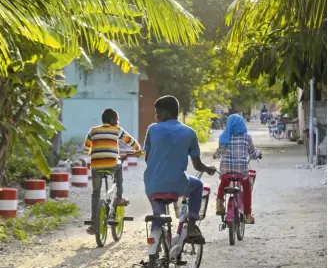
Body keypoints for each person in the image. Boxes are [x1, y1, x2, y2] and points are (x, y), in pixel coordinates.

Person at [144, 96, 216, 244]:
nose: (156, 116)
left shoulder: (152, 129)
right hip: (177, 184)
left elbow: (147, 159)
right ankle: (191, 227)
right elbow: (197, 166)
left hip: (152, 185)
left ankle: (153, 258)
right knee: (198, 186)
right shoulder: (189, 133)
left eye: (157, 113)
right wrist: (208, 168)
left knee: (158, 215)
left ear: (166, 112)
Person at [84, 108, 141, 235]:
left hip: (95, 165)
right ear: (112, 120)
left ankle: (94, 222)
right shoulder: (116, 130)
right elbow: (130, 141)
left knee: (96, 192)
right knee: (119, 165)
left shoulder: (93, 131)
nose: (118, 122)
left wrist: (88, 152)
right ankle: (119, 197)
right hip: (111, 164)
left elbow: (87, 146)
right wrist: (137, 149)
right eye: (117, 120)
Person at [213, 114, 262, 224]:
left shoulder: (224, 136)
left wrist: (215, 155)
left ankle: (219, 203)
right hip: (241, 171)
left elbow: (219, 152)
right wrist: (259, 154)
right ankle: (247, 215)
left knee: (224, 182)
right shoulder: (247, 137)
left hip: (226, 170)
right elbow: (253, 154)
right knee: (247, 186)